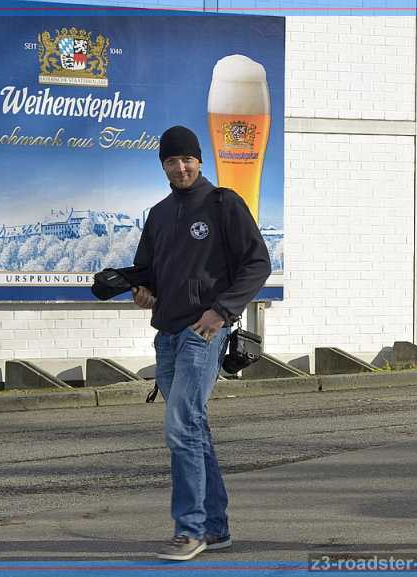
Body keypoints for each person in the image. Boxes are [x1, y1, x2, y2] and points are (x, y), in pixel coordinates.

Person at [133, 125, 271, 561]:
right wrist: (143, 291)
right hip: (167, 335)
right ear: (163, 166)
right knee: (192, 427)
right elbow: (147, 273)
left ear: (199, 160)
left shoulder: (223, 203)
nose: (180, 167)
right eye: (171, 161)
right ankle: (216, 529)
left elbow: (258, 263)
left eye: (187, 159)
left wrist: (221, 312)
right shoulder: (158, 214)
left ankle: (188, 530)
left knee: (181, 426)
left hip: (204, 331)